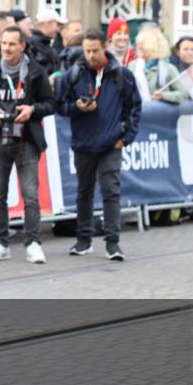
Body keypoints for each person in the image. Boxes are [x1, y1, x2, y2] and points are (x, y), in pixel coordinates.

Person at [0, 26, 56, 264]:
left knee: (30, 195)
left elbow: (50, 103)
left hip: (27, 139)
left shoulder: (35, 72)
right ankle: (0, 243)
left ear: (23, 46)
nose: (6, 49)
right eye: (3, 44)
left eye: (11, 44)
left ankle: (33, 243)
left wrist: (32, 109)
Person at [57, 29, 142, 261]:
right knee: (84, 192)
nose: (91, 55)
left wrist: (126, 136)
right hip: (83, 142)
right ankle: (84, 240)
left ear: (104, 47)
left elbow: (134, 107)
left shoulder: (121, 74)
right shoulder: (73, 74)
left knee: (111, 191)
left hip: (110, 143)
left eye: (95, 50)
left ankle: (113, 243)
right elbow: (59, 105)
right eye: (87, 51)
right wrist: (77, 108)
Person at [129, 27, 187, 104]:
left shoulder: (169, 69)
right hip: (137, 113)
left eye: (142, 43)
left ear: (152, 46)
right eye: (138, 44)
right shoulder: (132, 66)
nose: (138, 47)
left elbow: (183, 95)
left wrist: (163, 95)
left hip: (160, 113)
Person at [29, 8, 64, 76]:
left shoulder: (43, 43)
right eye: (57, 25)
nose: (58, 29)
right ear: (48, 23)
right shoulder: (36, 44)